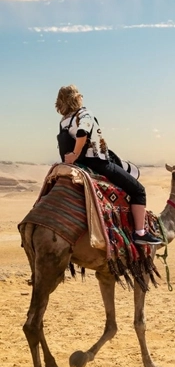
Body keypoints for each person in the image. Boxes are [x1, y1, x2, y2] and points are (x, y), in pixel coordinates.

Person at [55, 85, 161, 246]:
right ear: (77, 98)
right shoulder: (84, 114)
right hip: (97, 162)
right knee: (139, 190)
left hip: (77, 164)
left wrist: (73, 157)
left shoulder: (64, 121)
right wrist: (76, 153)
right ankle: (140, 232)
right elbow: (82, 132)